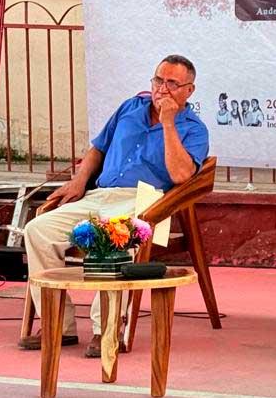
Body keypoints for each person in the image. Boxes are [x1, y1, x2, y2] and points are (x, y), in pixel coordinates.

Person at [20, 55, 209, 357]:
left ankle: (105, 329)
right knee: (38, 230)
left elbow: (181, 175)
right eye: (159, 80)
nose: (163, 89)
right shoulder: (129, 108)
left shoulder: (194, 129)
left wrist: (168, 122)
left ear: (189, 90)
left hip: (145, 200)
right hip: (100, 194)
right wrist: (79, 181)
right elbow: (98, 148)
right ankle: (59, 324)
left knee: (114, 240)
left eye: (172, 83)